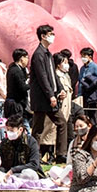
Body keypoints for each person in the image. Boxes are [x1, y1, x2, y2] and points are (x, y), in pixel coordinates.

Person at [29, 24, 68, 163]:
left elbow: (53, 75)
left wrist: (61, 88)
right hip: (42, 98)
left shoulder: (48, 54)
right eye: (50, 34)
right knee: (38, 129)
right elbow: (42, 77)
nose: (53, 36)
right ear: (43, 36)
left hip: (51, 96)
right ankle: (34, 155)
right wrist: (51, 95)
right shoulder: (38, 55)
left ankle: (61, 154)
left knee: (61, 123)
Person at [41, 51, 73, 162]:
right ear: (58, 64)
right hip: (57, 108)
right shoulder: (55, 76)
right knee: (51, 132)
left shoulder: (66, 76)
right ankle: (50, 155)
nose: (66, 64)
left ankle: (59, 154)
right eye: (64, 62)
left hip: (66, 109)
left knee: (60, 132)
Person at [0, 115, 44, 180]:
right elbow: (1, 163)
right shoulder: (4, 143)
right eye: (7, 130)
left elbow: (34, 164)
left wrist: (14, 170)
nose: (9, 132)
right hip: (7, 174)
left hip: (24, 173)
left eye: (12, 130)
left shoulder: (31, 142)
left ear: (20, 129)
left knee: (29, 175)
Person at [77, 47, 97, 124]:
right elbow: (80, 82)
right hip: (84, 95)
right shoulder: (82, 68)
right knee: (84, 117)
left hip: (92, 95)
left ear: (90, 56)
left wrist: (92, 84)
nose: (82, 58)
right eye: (81, 56)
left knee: (93, 117)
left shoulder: (95, 67)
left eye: (84, 56)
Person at [4, 48, 30, 121]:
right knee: (14, 125)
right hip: (15, 103)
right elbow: (22, 87)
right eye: (27, 58)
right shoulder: (16, 71)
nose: (28, 60)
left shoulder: (15, 69)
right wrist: (31, 84)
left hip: (14, 102)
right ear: (21, 58)